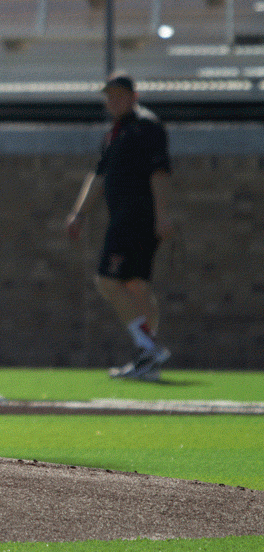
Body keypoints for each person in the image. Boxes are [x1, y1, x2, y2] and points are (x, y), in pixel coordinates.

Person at [66, 72, 176, 381]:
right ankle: (146, 357)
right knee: (135, 285)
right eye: (109, 96)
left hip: (137, 217)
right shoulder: (114, 132)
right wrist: (79, 212)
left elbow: (160, 172)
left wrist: (162, 214)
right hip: (123, 217)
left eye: (119, 95)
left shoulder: (146, 127)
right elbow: (98, 175)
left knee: (107, 280)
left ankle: (147, 346)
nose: (113, 101)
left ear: (133, 96)